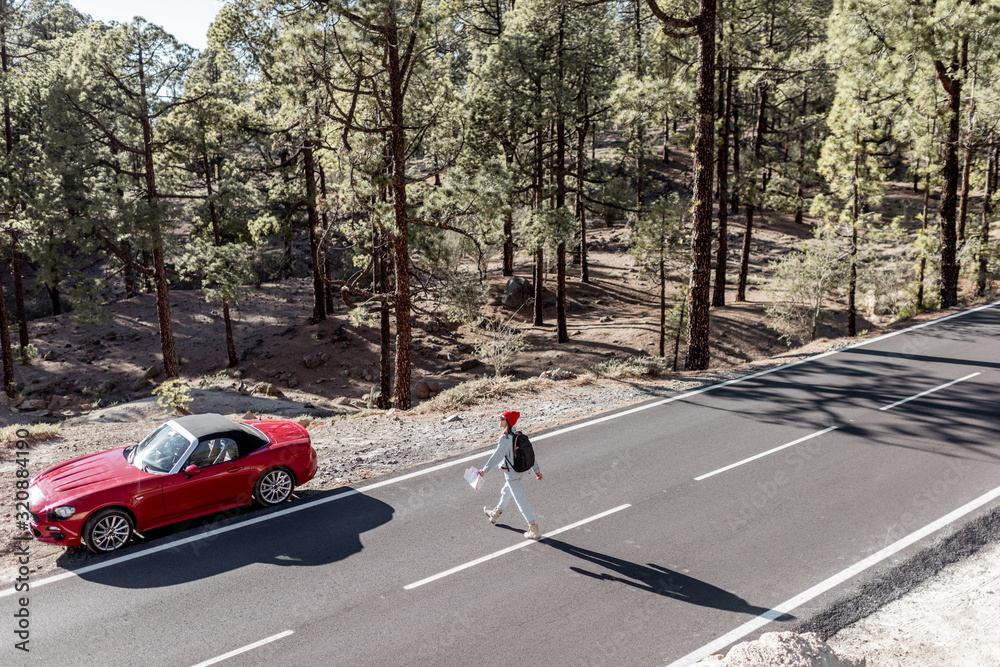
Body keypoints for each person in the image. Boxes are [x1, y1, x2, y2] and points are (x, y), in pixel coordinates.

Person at [479, 411, 543, 540]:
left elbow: (497, 457)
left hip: (512, 474)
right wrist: (536, 470)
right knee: (505, 491)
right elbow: (530, 454)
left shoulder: (505, 438)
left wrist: (484, 470)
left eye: (501, 418)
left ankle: (533, 528)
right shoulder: (519, 435)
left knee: (520, 501)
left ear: (506, 421)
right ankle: (495, 514)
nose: (499, 420)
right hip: (522, 471)